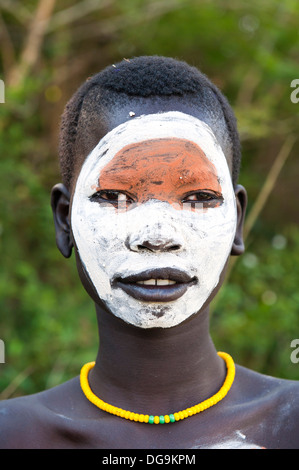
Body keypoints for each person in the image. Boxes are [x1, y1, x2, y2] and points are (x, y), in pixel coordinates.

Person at [1, 56, 299, 449]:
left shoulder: (289, 424)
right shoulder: (14, 434)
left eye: (197, 198)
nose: (157, 236)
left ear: (237, 222)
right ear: (64, 220)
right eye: (115, 196)